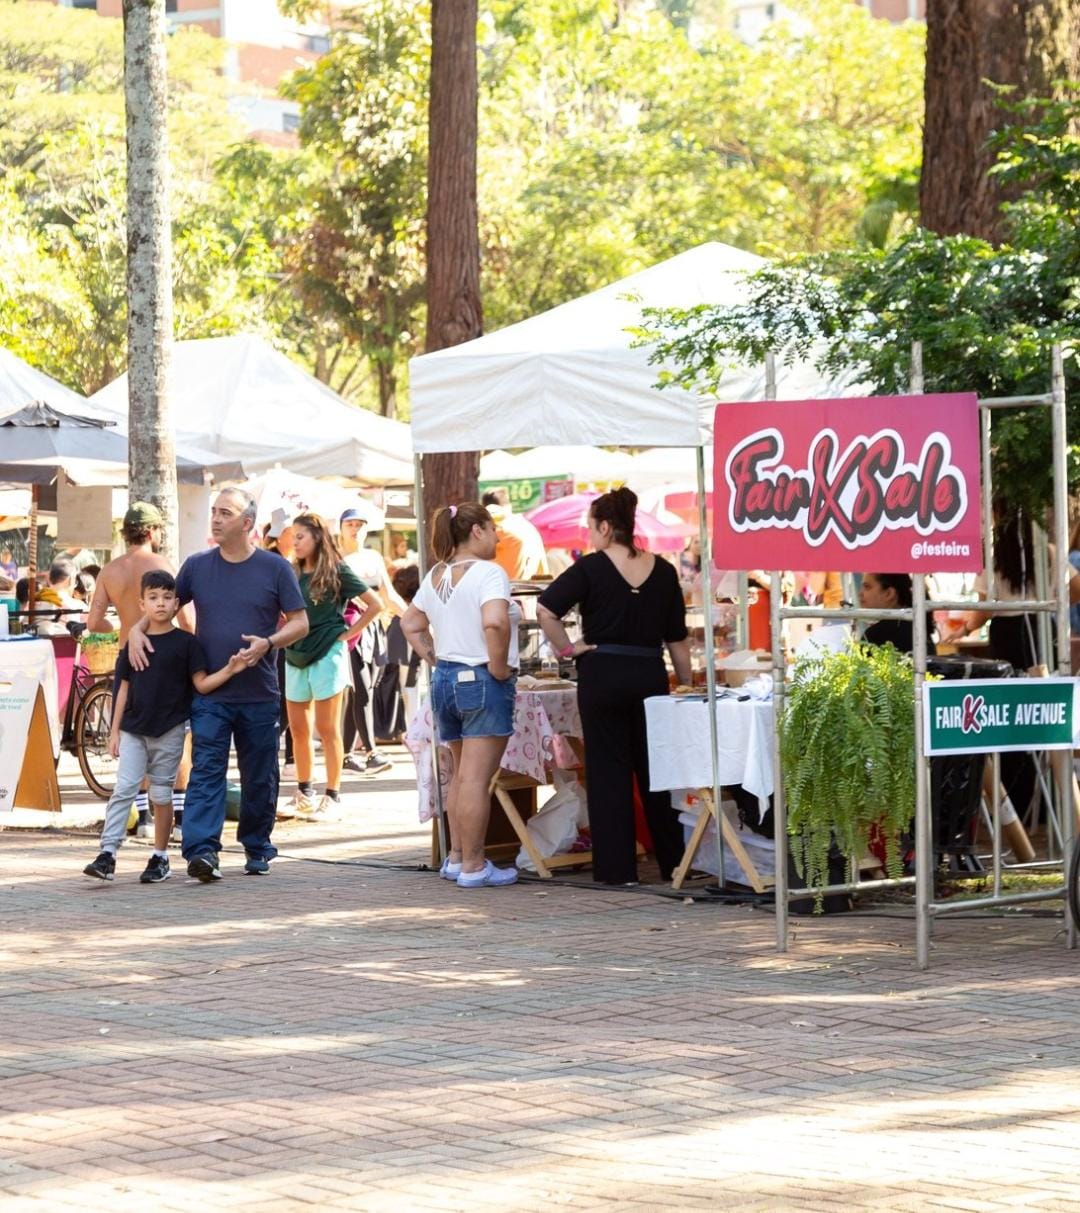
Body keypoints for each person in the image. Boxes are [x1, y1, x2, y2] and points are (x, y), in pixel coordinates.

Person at [127, 487, 308, 882]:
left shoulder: (275, 569)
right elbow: (164, 606)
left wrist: (269, 643)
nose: (216, 518)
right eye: (214, 511)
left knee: (259, 774)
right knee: (207, 769)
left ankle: (257, 846)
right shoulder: (196, 566)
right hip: (210, 691)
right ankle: (202, 851)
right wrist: (138, 631)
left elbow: (300, 623)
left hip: (259, 693)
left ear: (247, 524)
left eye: (225, 512)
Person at [537, 487, 691, 886]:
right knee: (656, 771)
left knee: (609, 772)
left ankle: (617, 870)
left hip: (602, 672)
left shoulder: (590, 568)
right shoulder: (664, 570)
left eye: (591, 527)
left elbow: (544, 608)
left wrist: (569, 648)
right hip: (648, 673)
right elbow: (677, 638)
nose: (590, 535)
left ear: (606, 526)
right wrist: (687, 684)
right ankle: (675, 862)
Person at [83, 571, 248, 884]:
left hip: (170, 730)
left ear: (177, 603)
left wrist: (230, 669)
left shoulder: (187, 644)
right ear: (141, 602)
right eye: (154, 598)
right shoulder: (133, 644)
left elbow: (201, 683)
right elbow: (124, 689)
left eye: (167, 597)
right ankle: (108, 853)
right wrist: (114, 731)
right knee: (124, 789)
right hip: (133, 728)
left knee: (162, 793)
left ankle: (160, 857)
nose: (160, 604)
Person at [402, 502, 522, 889]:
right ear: (477, 531)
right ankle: (474, 864)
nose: (498, 537)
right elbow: (494, 620)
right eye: (493, 529)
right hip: (481, 677)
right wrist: (499, 667)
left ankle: (457, 857)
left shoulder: (437, 574)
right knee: (474, 779)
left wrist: (434, 657)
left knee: (458, 776)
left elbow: (410, 622)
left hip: (446, 679)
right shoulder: (489, 573)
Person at [87, 502, 186, 838]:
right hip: (165, 655)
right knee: (173, 733)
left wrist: (123, 628)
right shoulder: (162, 565)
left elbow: (93, 622)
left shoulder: (109, 570)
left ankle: (143, 819)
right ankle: (179, 818)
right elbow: (185, 619)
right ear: (152, 531)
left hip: (128, 658)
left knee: (135, 734)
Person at [284, 513, 383, 818]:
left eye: (301, 536)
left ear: (316, 537)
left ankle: (333, 794)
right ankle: (304, 791)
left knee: (327, 728)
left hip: (328, 653)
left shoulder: (337, 569)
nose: (295, 542)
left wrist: (347, 635)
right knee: (298, 729)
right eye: (293, 537)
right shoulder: (290, 571)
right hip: (294, 654)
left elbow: (375, 605)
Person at [338, 503, 403, 774]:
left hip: (374, 628)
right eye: (350, 524)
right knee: (361, 689)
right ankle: (371, 752)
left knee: (365, 691)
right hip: (350, 629)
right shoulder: (336, 558)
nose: (355, 529)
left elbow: (387, 594)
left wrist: (412, 616)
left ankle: (346, 755)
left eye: (360, 524)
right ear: (340, 529)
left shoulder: (374, 557)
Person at [480, 489, 549, 580]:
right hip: (532, 590)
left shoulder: (492, 525)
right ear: (509, 506)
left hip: (503, 590)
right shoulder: (527, 527)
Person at [858, 573, 936, 654]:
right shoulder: (920, 628)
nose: (860, 593)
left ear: (889, 593)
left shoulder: (874, 635)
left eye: (867, 587)